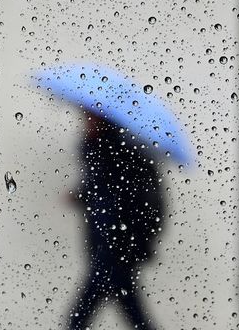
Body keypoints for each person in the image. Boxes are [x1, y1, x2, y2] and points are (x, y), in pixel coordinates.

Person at [66, 113, 164, 330]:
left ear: (104, 122)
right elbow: (100, 189)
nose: (86, 124)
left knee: (81, 313)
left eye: (90, 119)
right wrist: (81, 194)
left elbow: (122, 196)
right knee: (130, 307)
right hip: (106, 241)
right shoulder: (100, 151)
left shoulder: (118, 152)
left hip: (115, 244)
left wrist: (128, 240)